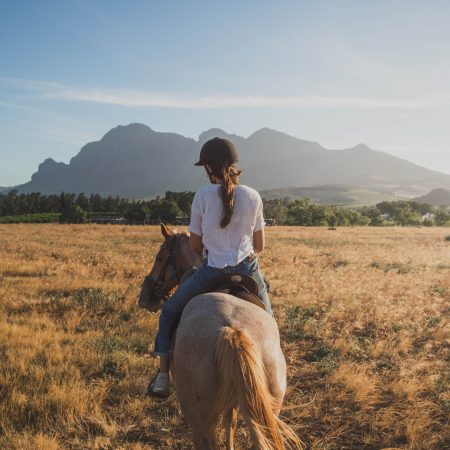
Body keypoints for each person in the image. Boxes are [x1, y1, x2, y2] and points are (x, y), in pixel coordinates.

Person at [148, 137, 272, 398]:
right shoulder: (253, 195)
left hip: (212, 271)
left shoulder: (202, 196)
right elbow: (259, 246)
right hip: (248, 269)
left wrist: (212, 248)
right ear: (234, 165)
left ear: (208, 168)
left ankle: (161, 377)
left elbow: (194, 246)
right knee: (269, 322)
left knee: (169, 311)